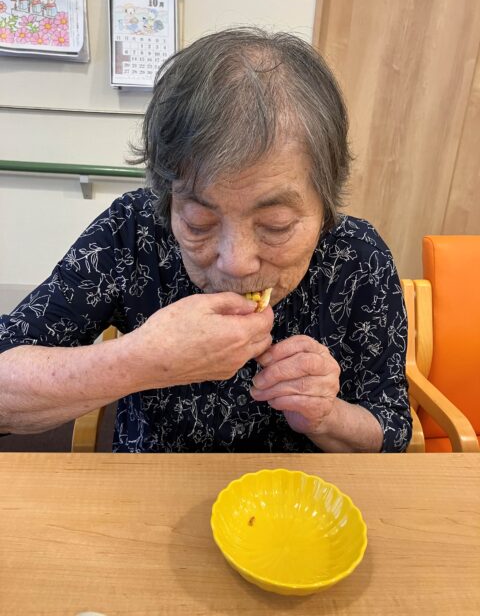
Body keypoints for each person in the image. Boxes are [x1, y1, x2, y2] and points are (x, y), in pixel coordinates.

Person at [0, 27, 412, 453]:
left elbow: (391, 431)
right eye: (199, 223)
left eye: (275, 226)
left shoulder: (358, 258)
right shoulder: (134, 232)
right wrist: (138, 360)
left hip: (300, 492)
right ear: (168, 199)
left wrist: (326, 416)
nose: (236, 262)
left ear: (325, 206)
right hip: (154, 484)